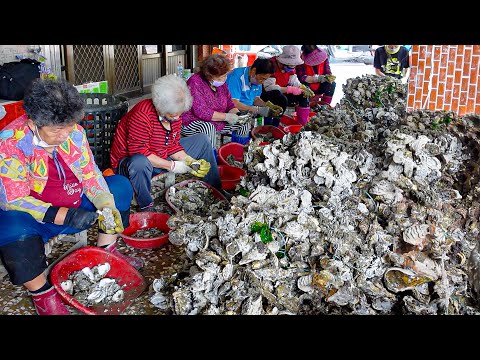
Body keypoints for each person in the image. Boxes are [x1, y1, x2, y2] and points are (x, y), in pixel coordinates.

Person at [0, 78, 139, 315]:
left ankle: (105, 256)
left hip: (78, 205)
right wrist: (63, 215)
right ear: (34, 123)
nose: (65, 134)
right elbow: (13, 198)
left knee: (119, 186)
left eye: (69, 126)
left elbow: (89, 173)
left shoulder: (75, 133)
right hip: (38, 219)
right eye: (56, 129)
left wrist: (105, 203)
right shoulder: (10, 141)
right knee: (8, 227)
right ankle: (43, 295)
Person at [110, 74, 220, 212]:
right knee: (139, 162)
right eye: (173, 116)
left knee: (202, 140)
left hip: (160, 153)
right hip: (131, 164)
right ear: (159, 107)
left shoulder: (175, 113)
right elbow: (140, 152)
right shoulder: (142, 115)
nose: (178, 118)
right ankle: (146, 205)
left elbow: (173, 145)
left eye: (179, 114)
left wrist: (190, 161)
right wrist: (173, 166)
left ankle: (215, 189)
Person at [181, 54, 250, 149]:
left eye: (225, 76)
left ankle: (238, 153)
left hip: (218, 120)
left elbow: (229, 103)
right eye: (219, 78)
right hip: (193, 121)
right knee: (208, 128)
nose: (223, 79)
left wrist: (238, 115)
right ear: (208, 75)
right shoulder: (194, 82)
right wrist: (227, 117)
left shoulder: (222, 83)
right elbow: (202, 112)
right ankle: (211, 159)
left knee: (243, 124)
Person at [261, 45, 309, 111]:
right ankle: (277, 117)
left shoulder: (290, 68)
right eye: (290, 66)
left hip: (282, 91)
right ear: (282, 63)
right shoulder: (270, 66)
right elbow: (268, 88)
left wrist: (302, 87)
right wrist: (289, 89)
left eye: (294, 66)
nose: (292, 68)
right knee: (281, 98)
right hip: (267, 94)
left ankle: (302, 118)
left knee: (303, 95)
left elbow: (293, 80)